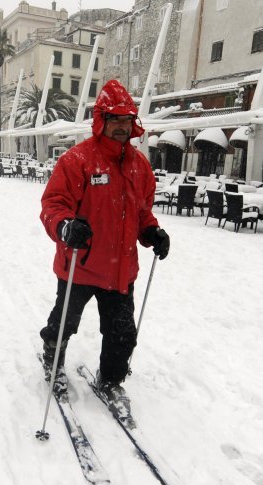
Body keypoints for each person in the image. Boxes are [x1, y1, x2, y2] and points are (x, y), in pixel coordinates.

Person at [39, 79, 170, 404]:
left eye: (127, 121)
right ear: (101, 121)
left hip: (120, 271)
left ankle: (111, 379)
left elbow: (142, 212)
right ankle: (52, 363)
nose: (122, 128)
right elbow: (53, 205)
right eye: (115, 120)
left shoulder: (140, 166)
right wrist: (65, 226)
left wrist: (152, 232)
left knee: (122, 334)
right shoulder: (77, 160)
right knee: (63, 324)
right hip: (79, 267)